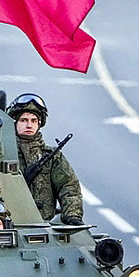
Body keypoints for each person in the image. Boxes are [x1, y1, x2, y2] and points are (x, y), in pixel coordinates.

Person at [7, 93, 83, 225]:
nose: (29, 125)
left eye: (34, 120)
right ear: (14, 122)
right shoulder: (2, 153)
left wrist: (72, 216)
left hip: (44, 224)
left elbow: (69, 187)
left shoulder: (51, 156)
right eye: (24, 120)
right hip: (8, 224)